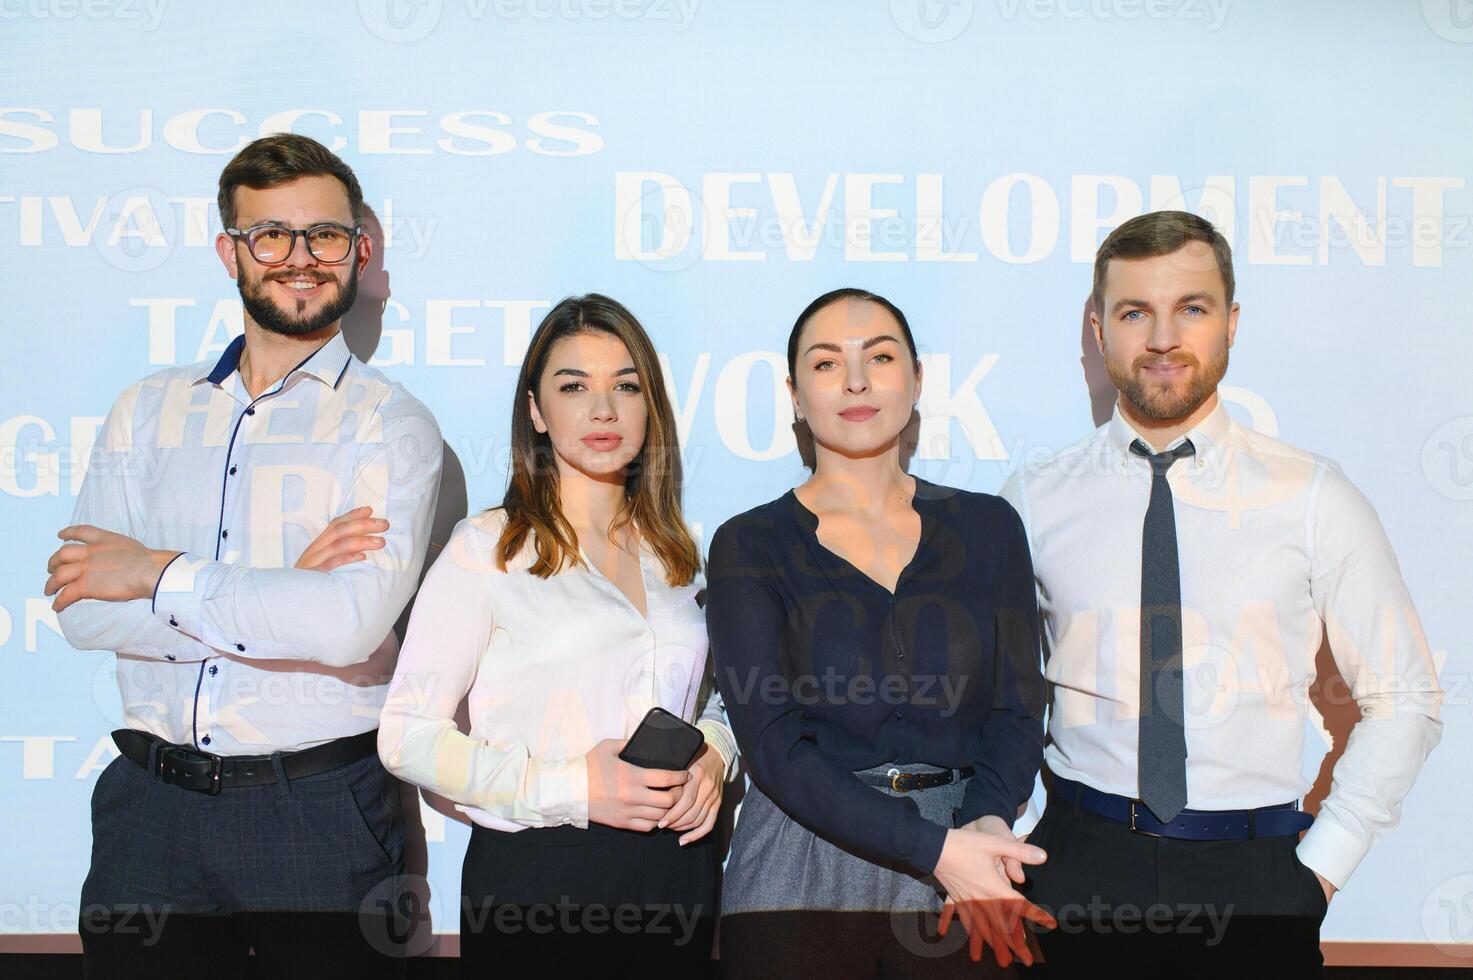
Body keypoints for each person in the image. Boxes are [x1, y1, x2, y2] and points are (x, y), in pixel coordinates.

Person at [1001, 210, 1444, 975]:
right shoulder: (1035, 497)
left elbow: (1405, 695)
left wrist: (1316, 870)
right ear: (1097, 328)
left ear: (1231, 324)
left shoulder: (1312, 495)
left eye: (1192, 309)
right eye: (1134, 311)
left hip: (1257, 876)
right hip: (1076, 867)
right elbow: (990, 697)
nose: (1163, 337)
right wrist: (1029, 835)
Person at [44, 133, 444, 979]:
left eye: (323, 235)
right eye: (270, 235)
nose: (299, 259)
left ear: (359, 250)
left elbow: (347, 628)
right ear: (230, 250)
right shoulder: (147, 409)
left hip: (317, 818)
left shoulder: (390, 423)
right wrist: (286, 591)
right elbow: (83, 610)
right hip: (146, 813)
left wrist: (160, 575)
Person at [377, 293, 737, 977]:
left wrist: (717, 750)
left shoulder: (679, 553)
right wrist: (571, 785)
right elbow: (405, 735)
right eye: (573, 386)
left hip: (676, 875)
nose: (603, 410)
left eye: (625, 386)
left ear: (649, 406)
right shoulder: (486, 549)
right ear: (537, 411)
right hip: (538, 878)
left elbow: (726, 693)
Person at [706, 288, 1054, 978]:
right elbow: (772, 744)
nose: (857, 381)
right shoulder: (748, 543)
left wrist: (983, 822)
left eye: (881, 357)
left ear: (917, 380)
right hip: (796, 861)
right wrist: (934, 852)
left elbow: (1017, 708)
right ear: (795, 395)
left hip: (966, 857)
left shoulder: (988, 528)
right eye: (827, 363)